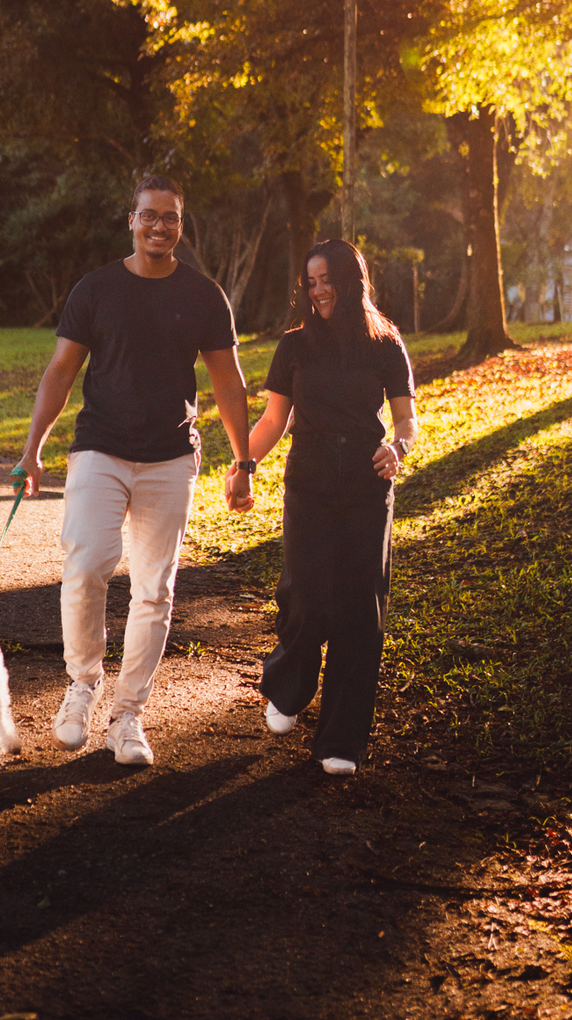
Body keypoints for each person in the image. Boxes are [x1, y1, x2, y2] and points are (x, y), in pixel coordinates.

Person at [15, 174, 252, 768]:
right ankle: (81, 686)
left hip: (171, 457)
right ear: (131, 220)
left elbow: (228, 381)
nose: (159, 227)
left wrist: (243, 461)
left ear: (180, 224)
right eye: (149, 215)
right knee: (87, 563)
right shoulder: (96, 289)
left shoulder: (203, 296)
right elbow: (61, 372)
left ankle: (128, 715)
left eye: (170, 218)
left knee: (154, 590)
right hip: (100, 448)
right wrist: (32, 449)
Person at [226, 238, 418, 776]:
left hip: (365, 483)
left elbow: (406, 420)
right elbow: (273, 422)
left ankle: (341, 739)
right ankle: (289, 686)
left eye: (327, 279)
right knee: (306, 595)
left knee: (361, 610)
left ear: (351, 280)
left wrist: (397, 448)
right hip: (308, 481)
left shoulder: (384, 343)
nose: (319, 290)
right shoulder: (295, 346)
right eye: (310, 282)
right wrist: (243, 465)